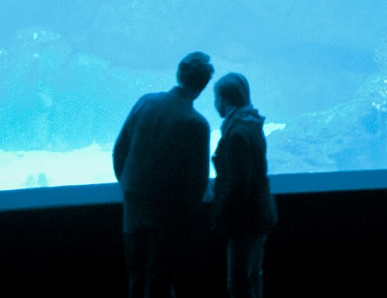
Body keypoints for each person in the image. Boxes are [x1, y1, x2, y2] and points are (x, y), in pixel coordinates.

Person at [113, 51, 215, 298]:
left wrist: (129, 187)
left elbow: (119, 150)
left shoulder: (145, 102)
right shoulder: (196, 124)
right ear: (203, 86)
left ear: (178, 73)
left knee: (135, 276)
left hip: (134, 207)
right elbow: (198, 181)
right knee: (160, 279)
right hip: (169, 217)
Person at [209, 71, 277, 298]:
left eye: (215, 98)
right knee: (253, 275)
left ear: (222, 99)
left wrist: (222, 212)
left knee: (240, 282)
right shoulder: (252, 124)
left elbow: (239, 182)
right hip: (259, 212)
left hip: (245, 218)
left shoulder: (237, 133)